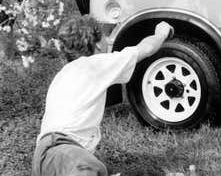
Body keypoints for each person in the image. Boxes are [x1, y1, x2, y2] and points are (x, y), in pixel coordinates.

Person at [31, 15, 174, 176]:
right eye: (105, 36)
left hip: (44, 158)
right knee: (91, 169)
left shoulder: (65, 73)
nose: (108, 40)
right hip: (63, 152)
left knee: (98, 169)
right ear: (98, 44)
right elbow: (145, 49)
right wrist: (161, 33)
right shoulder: (94, 65)